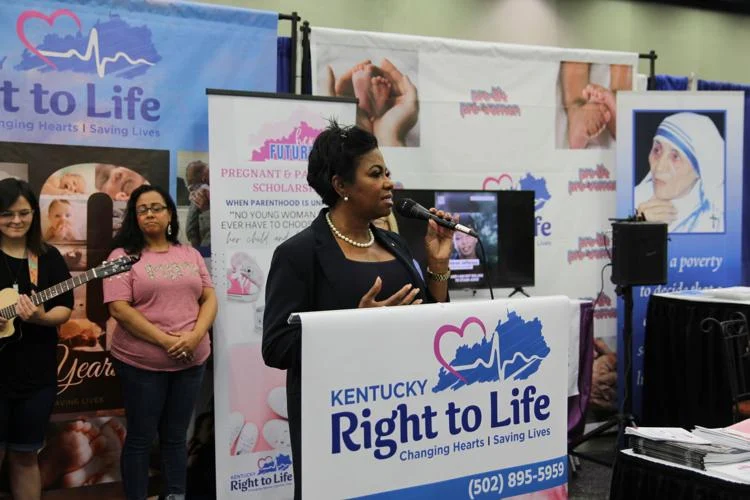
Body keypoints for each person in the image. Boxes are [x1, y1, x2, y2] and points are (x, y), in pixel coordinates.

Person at [262, 122, 455, 499]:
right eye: (376, 173)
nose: (389, 183)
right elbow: (276, 346)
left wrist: (437, 265)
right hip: (341, 431)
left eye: (388, 173)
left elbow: (430, 319)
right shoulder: (299, 254)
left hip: (404, 420)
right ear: (340, 186)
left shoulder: (396, 244)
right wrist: (353, 327)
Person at [102, 184, 217, 500]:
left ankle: (175, 496)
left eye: (157, 207)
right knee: (140, 438)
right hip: (142, 366)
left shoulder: (189, 253)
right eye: (142, 209)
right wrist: (166, 341)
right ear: (135, 217)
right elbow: (119, 309)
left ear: (170, 214)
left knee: (177, 437)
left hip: (192, 361)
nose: (150, 213)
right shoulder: (121, 257)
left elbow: (209, 298)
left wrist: (194, 336)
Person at [0, 178, 74, 499]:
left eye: (23, 213)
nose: (16, 220)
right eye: (6, 214)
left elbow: (65, 309)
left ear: (33, 214)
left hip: (36, 375)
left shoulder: (47, 257)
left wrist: (40, 317)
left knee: (26, 454)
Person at [634, 112, 724, 232]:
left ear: (699, 170)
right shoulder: (635, 199)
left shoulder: (718, 219)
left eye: (675, 157)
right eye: (657, 150)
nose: (659, 167)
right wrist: (639, 224)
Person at [325, 58, 419, 147]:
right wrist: (388, 136)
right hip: (388, 151)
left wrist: (348, 122)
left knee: (354, 143)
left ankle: (364, 113)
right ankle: (373, 110)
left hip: (354, 148)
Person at [184, 160, 211, 249]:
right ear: (204, 178)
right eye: (209, 172)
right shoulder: (203, 191)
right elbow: (191, 228)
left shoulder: (195, 192)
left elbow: (190, 229)